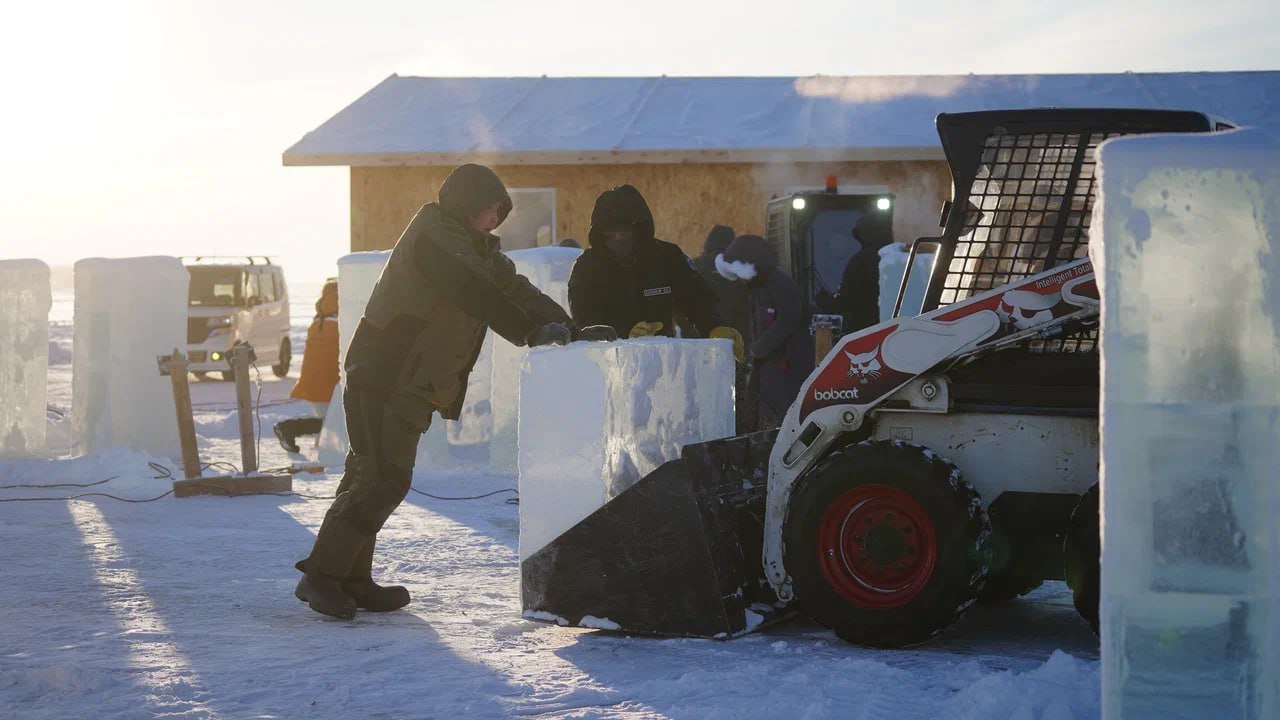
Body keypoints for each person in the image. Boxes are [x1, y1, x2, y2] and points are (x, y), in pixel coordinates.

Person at [294, 164, 589, 621]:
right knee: (382, 477)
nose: (495, 219)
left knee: (372, 475)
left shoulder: (475, 247)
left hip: (412, 382)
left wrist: (571, 328)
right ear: (465, 204)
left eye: (499, 211)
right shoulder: (435, 237)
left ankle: (351, 578)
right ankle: (321, 578)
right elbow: (476, 292)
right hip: (384, 373)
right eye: (489, 209)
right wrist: (531, 332)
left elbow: (512, 287)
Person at [568, 185, 744, 360]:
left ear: (640, 231)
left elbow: (695, 297)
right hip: (609, 366)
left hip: (663, 363)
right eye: (611, 235)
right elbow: (585, 316)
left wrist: (713, 326)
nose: (619, 240)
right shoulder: (587, 267)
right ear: (600, 234)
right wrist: (623, 332)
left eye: (626, 234)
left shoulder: (666, 257)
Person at [717, 234, 815, 431]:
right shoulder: (757, 286)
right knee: (766, 411)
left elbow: (788, 319)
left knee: (782, 412)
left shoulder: (779, 284)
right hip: (771, 362)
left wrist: (759, 347)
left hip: (786, 363)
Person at [273, 278, 339, 453]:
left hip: (312, 381)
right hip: (328, 383)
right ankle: (288, 428)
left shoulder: (318, 321)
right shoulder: (340, 323)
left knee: (329, 419)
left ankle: (320, 445)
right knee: (335, 421)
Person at [815, 214, 881, 334]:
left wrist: (825, 301)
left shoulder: (860, 261)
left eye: (840, 241)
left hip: (863, 329)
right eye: (834, 241)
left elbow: (848, 300)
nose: (837, 245)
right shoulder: (893, 257)